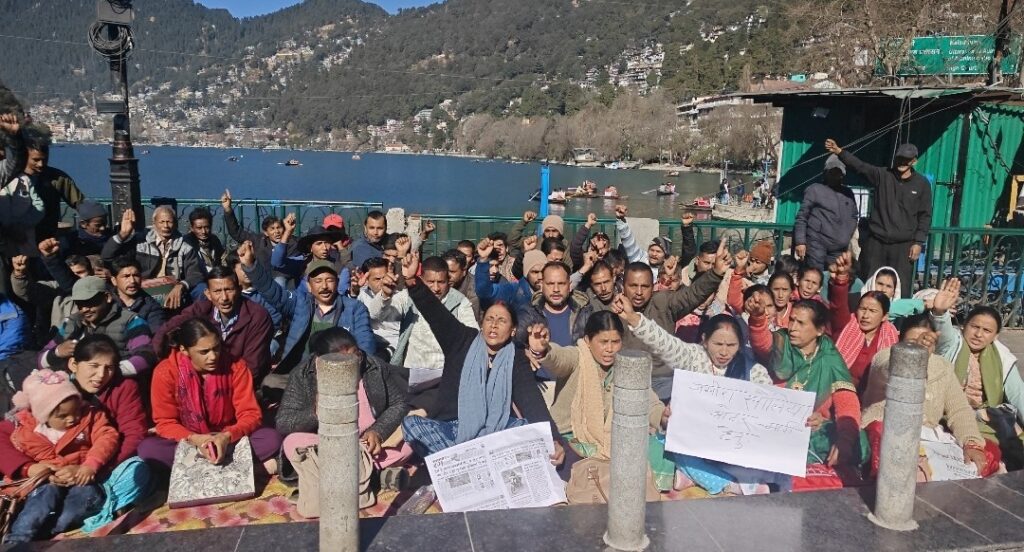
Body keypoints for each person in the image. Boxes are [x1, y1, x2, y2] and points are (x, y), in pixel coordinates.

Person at [397, 253, 563, 463]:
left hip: (494, 430)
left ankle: (459, 461)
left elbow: (531, 400)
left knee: (523, 428)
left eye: (501, 321)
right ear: (482, 324)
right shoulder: (462, 340)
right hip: (453, 428)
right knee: (412, 425)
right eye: (489, 319)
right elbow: (436, 313)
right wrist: (412, 281)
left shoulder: (515, 357)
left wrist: (553, 438)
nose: (494, 325)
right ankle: (468, 461)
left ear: (513, 330)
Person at [527, 311, 670, 485]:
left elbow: (648, 401)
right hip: (571, 437)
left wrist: (662, 416)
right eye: (603, 342)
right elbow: (559, 358)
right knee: (582, 473)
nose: (609, 349)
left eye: (615, 342)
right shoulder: (577, 357)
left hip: (613, 438)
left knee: (658, 452)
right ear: (588, 340)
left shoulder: (628, 367)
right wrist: (544, 349)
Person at [860, 314, 1000, 479]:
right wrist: (911, 355)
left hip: (927, 437)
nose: (920, 346)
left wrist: (971, 443)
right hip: (890, 431)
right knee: (886, 441)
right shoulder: (885, 357)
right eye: (912, 342)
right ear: (899, 340)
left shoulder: (943, 367)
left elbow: (959, 410)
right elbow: (888, 369)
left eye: (926, 343)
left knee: (989, 451)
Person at [138, 318, 282, 471]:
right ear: (184, 350)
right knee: (148, 450)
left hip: (229, 439)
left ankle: (198, 467)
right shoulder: (165, 372)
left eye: (216, 348)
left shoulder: (236, 367)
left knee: (271, 439)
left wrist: (225, 437)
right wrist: (196, 439)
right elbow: (165, 421)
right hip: (189, 442)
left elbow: (250, 414)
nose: (213, 356)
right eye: (204, 352)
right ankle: (231, 465)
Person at [749, 299, 869, 481]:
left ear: (819, 330)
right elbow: (763, 343)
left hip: (812, 429)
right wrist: (758, 319)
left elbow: (847, 402)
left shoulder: (829, 357)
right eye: (792, 320)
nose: (792, 328)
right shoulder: (782, 342)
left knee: (858, 438)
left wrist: (843, 438)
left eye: (801, 323)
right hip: (777, 423)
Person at [277, 327, 411, 480]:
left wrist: (378, 431)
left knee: (410, 443)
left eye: (355, 355)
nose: (352, 364)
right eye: (342, 361)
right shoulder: (303, 375)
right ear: (322, 361)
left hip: (366, 445)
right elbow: (284, 422)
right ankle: (367, 473)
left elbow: (399, 403)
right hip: (326, 445)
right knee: (292, 443)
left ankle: (339, 475)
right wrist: (315, 413)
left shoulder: (373, 366)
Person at [3, 369, 118, 545]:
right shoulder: (26, 432)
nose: (72, 419)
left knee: (79, 505)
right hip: (47, 482)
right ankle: (17, 539)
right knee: (38, 505)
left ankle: (47, 532)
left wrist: (90, 465)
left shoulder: (90, 418)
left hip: (81, 478)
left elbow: (106, 437)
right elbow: (19, 455)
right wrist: (41, 471)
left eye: (76, 411)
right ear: (44, 416)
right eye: (62, 416)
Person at [931, 278, 1024, 470]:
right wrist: (940, 313)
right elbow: (944, 331)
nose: (979, 334)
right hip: (950, 414)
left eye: (987, 330)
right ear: (964, 326)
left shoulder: (1003, 358)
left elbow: (1019, 396)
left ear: (995, 336)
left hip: (988, 417)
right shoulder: (952, 344)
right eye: (974, 327)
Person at [619, 240, 730, 400]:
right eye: (633, 285)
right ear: (623, 286)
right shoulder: (615, 309)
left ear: (653, 286)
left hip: (663, 382)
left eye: (645, 286)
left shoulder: (663, 302)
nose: (639, 292)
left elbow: (692, 295)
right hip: (627, 380)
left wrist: (716, 273)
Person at [240, 241, 375, 370]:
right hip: (300, 371)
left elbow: (365, 342)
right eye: (318, 281)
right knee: (270, 382)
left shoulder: (354, 308)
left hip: (339, 371)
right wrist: (251, 266)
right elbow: (273, 291)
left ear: (337, 283)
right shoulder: (300, 303)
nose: (324, 286)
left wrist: (355, 366)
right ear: (309, 286)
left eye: (329, 280)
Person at [825, 139, 931, 297]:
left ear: (914, 161)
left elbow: (925, 215)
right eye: (900, 158)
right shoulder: (882, 175)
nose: (902, 162)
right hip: (876, 242)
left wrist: (918, 242)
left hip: (903, 246)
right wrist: (840, 152)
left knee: (901, 286)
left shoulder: (922, 184)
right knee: (867, 282)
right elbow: (860, 166)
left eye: (907, 159)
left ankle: (897, 314)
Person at [369, 256, 477, 388]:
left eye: (441, 282)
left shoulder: (460, 302)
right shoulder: (407, 297)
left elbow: (472, 338)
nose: (436, 288)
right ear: (421, 279)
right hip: (411, 375)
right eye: (430, 282)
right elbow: (375, 315)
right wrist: (385, 295)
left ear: (448, 281)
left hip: (446, 376)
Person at [154, 266, 274, 383]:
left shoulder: (258, 316)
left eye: (229, 290)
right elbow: (166, 330)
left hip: (241, 382)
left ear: (239, 289)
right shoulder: (201, 309)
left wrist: (216, 384)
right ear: (208, 294)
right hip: (202, 380)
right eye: (217, 291)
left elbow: (252, 367)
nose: (224, 298)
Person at [40, 276, 156, 378]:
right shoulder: (70, 323)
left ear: (107, 297)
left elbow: (146, 357)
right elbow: (40, 360)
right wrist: (57, 352)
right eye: (80, 304)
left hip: (117, 385)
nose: (84, 309)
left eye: (90, 302)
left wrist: (104, 373)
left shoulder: (131, 321)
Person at [101, 207, 203, 310]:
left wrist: (182, 285)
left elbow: (195, 274)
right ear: (154, 223)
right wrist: (123, 234)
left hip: (172, 289)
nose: (166, 226)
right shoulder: (140, 241)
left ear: (175, 224)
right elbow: (107, 256)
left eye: (169, 222)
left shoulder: (185, 246)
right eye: (162, 222)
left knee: (201, 289)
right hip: (143, 289)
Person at [19, 125, 86, 244]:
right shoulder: (12, 179)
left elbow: (80, 203)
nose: (41, 164)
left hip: (47, 239)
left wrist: (92, 215)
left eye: (44, 159)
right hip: (18, 239)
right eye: (36, 160)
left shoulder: (57, 178)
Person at [793, 154, 859, 270]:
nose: (835, 176)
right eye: (832, 172)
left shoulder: (848, 193)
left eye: (838, 173)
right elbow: (802, 217)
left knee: (835, 276)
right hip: (816, 244)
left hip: (839, 248)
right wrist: (800, 242)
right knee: (815, 275)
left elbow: (854, 215)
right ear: (826, 172)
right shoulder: (814, 189)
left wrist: (847, 235)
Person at [220, 189, 296, 286]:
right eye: (272, 229)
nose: (276, 232)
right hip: (261, 279)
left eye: (279, 228)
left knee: (280, 281)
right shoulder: (258, 240)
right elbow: (236, 233)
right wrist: (228, 210)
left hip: (281, 280)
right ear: (266, 232)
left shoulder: (292, 242)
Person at [476, 239, 545, 312]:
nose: (540, 277)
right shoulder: (515, 290)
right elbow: (485, 293)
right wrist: (483, 260)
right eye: (535, 272)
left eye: (543, 272)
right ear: (526, 274)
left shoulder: (553, 289)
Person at [862, 266, 926, 321]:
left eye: (888, 286)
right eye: (880, 284)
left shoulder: (894, 311)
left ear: (894, 292)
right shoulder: (860, 300)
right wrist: (924, 304)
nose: (883, 290)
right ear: (872, 283)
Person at [183, 207, 225, 276]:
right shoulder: (186, 243)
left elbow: (222, 258)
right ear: (192, 228)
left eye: (207, 227)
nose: (204, 232)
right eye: (199, 228)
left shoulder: (214, 239)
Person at [442, 248, 480, 320]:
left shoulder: (474, 290)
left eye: (452, 272)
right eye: (445, 271)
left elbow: (471, 321)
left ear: (464, 271)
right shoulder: (440, 283)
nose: (448, 276)